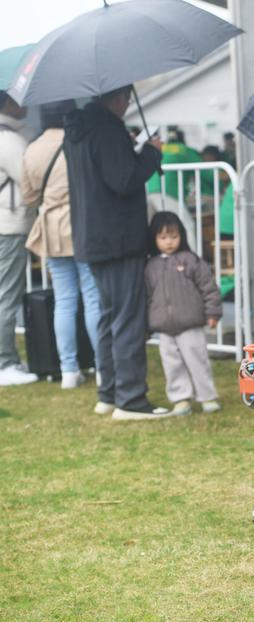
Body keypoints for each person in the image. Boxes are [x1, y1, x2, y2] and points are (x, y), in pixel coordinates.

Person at [64, 86, 168, 420]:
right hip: (119, 239)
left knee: (110, 319)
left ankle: (108, 393)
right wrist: (151, 153)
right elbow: (123, 179)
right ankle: (131, 399)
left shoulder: (79, 129)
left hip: (93, 239)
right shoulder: (107, 130)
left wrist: (134, 148)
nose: (127, 105)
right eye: (125, 98)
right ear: (117, 97)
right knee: (126, 320)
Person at [22, 100, 102, 389]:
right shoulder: (80, 140)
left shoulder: (32, 149)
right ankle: (102, 366)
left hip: (51, 229)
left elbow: (29, 197)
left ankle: (69, 369)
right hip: (82, 224)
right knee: (93, 296)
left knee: (64, 300)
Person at [145, 212, 222, 415]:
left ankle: (207, 397)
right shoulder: (150, 267)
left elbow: (209, 288)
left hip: (191, 324)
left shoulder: (191, 261)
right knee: (172, 364)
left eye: (173, 236)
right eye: (163, 238)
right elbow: (146, 296)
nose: (169, 242)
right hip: (164, 327)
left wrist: (212, 312)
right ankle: (180, 399)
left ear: (182, 236)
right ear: (154, 239)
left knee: (198, 360)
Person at [0, 91, 36, 386]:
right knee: (6, 295)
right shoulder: (9, 140)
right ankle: (5, 363)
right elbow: (29, 181)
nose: (24, 103)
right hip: (9, 225)